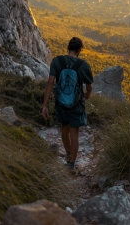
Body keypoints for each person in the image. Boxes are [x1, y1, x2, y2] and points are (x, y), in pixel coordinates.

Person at [42, 37, 93, 172]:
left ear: (68, 47)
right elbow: (89, 86)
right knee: (74, 133)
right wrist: (87, 94)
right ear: (79, 50)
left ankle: (68, 154)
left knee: (64, 130)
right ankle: (71, 165)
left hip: (61, 103)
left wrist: (44, 105)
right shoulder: (83, 65)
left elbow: (50, 82)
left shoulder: (57, 61)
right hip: (76, 104)